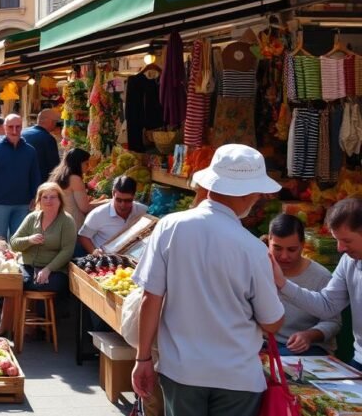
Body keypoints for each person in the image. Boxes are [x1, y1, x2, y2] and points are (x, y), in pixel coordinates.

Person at [132, 144, 284, 415]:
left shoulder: (170, 226)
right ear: (248, 193)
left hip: (182, 371)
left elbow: (150, 298)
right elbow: (272, 323)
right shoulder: (253, 249)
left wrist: (143, 357)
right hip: (237, 377)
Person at [272, 198, 362, 369]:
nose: (340, 248)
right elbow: (327, 305)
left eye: (347, 241)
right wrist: (283, 284)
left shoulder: (321, 273)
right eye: (336, 240)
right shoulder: (347, 262)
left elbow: (331, 319)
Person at [266, 214, 339, 356]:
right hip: (268, 343)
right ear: (268, 242)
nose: (284, 256)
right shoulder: (259, 269)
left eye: (292, 249)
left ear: (303, 245)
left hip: (308, 348)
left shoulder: (321, 276)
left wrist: (309, 335)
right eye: (277, 248)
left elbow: (333, 322)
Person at [0, 114, 41, 240]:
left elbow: (35, 176)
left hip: (23, 204)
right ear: (4, 127)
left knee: (19, 241)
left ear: (22, 127)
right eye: (10, 127)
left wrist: (35, 197)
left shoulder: (30, 151)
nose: (14, 131)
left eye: (18, 127)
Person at [10, 182, 76, 293]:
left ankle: (29, 287)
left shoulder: (67, 221)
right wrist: (29, 240)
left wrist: (48, 269)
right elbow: (13, 243)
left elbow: (67, 251)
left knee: (43, 284)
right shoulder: (31, 218)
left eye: (53, 197)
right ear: (39, 200)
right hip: (27, 266)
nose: (48, 201)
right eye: (44, 197)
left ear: (60, 200)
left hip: (54, 270)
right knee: (13, 282)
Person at [77, 175, 148, 255]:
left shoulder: (142, 211)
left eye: (128, 201)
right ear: (113, 194)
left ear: (134, 196)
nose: (122, 205)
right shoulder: (98, 214)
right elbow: (83, 236)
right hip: (106, 260)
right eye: (118, 200)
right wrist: (94, 251)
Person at [48, 148, 105, 231]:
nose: (88, 166)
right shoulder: (75, 179)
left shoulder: (59, 175)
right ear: (78, 163)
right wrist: (105, 205)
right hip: (74, 225)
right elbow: (84, 208)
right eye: (86, 163)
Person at [21, 109, 61, 184]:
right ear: (50, 122)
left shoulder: (23, 132)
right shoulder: (47, 138)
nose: (55, 125)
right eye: (55, 122)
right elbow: (54, 166)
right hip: (37, 182)